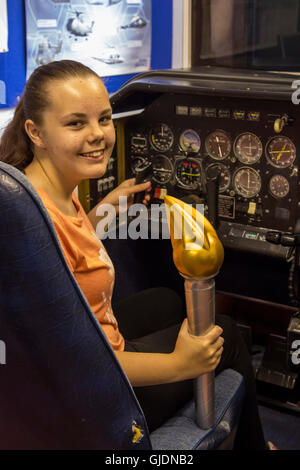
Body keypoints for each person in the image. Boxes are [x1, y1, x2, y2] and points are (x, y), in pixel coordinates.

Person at [0, 60, 271, 450]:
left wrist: (105, 209)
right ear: (35, 131)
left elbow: (63, 251)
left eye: (105, 119)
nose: (98, 135)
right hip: (93, 400)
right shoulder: (42, 213)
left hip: (73, 359)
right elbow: (81, 363)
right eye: (76, 123)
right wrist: (182, 364)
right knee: (224, 333)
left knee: (164, 299)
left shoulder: (42, 185)